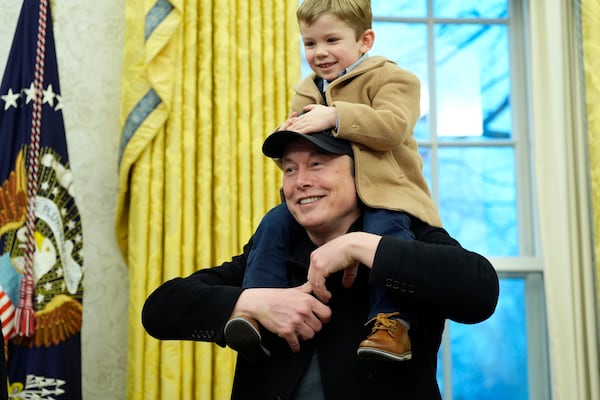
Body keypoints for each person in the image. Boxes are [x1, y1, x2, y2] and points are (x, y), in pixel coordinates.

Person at [142, 130, 499, 399]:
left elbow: (480, 290)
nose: (301, 182)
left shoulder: (407, 236)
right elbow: (159, 309)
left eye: (317, 163)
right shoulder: (270, 251)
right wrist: (254, 301)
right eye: (290, 169)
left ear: (362, 174)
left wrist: (360, 245)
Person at [236, 0, 441, 362]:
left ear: (366, 41)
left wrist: (335, 115)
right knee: (273, 222)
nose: (320, 52)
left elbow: (393, 128)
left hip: (385, 195)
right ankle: (259, 307)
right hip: (334, 202)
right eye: (310, 44)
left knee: (383, 234)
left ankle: (390, 323)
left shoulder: (394, 79)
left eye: (332, 40)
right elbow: (299, 148)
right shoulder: (308, 87)